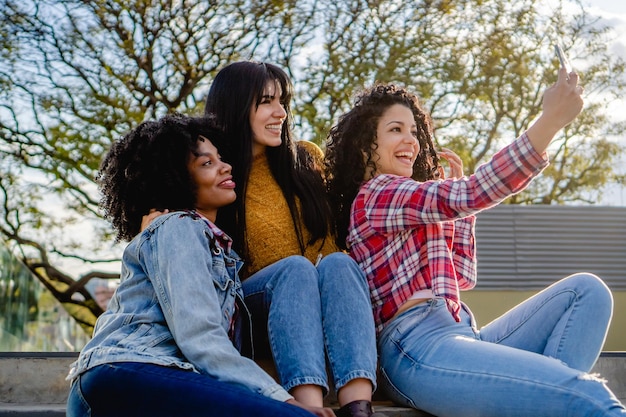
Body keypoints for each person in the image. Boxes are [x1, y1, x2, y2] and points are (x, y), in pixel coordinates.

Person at [324, 72, 626, 416]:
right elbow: (471, 193)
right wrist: (550, 121)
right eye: (396, 130)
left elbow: (463, 276)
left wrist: (460, 216)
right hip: (415, 347)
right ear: (366, 146)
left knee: (587, 292)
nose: (411, 139)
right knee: (589, 397)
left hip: (460, 333)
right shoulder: (377, 194)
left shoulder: (414, 207)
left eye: (413, 130)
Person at [144, 62, 383, 417]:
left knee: (339, 262)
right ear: (237, 106)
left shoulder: (306, 159)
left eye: (283, 100)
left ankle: (357, 408)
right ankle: (306, 409)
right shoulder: (219, 174)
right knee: (294, 270)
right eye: (266, 102)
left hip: (321, 308)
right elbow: (175, 228)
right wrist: (152, 217)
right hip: (254, 314)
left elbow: (341, 232)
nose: (280, 112)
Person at [66, 113, 334, 417]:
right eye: (207, 163)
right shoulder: (179, 226)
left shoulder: (213, 248)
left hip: (152, 379)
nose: (226, 166)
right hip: (126, 374)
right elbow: (201, 336)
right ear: (173, 180)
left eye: (220, 158)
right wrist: (282, 399)